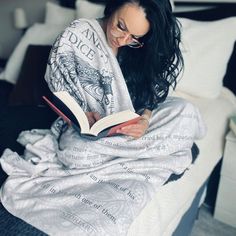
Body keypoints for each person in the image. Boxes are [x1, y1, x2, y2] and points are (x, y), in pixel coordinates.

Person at [0, 1, 205, 235]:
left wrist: (145, 120)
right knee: (77, 154)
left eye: (134, 37)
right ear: (113, 6)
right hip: (86, 137)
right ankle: (145, 151)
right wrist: (81, 115)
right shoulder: (78, 35)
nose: (122, 39)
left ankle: (128, 149)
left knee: (184, 110)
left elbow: (152, 93)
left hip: (127, 125)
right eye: (120, 26)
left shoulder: (139, 48)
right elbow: (60, 92)